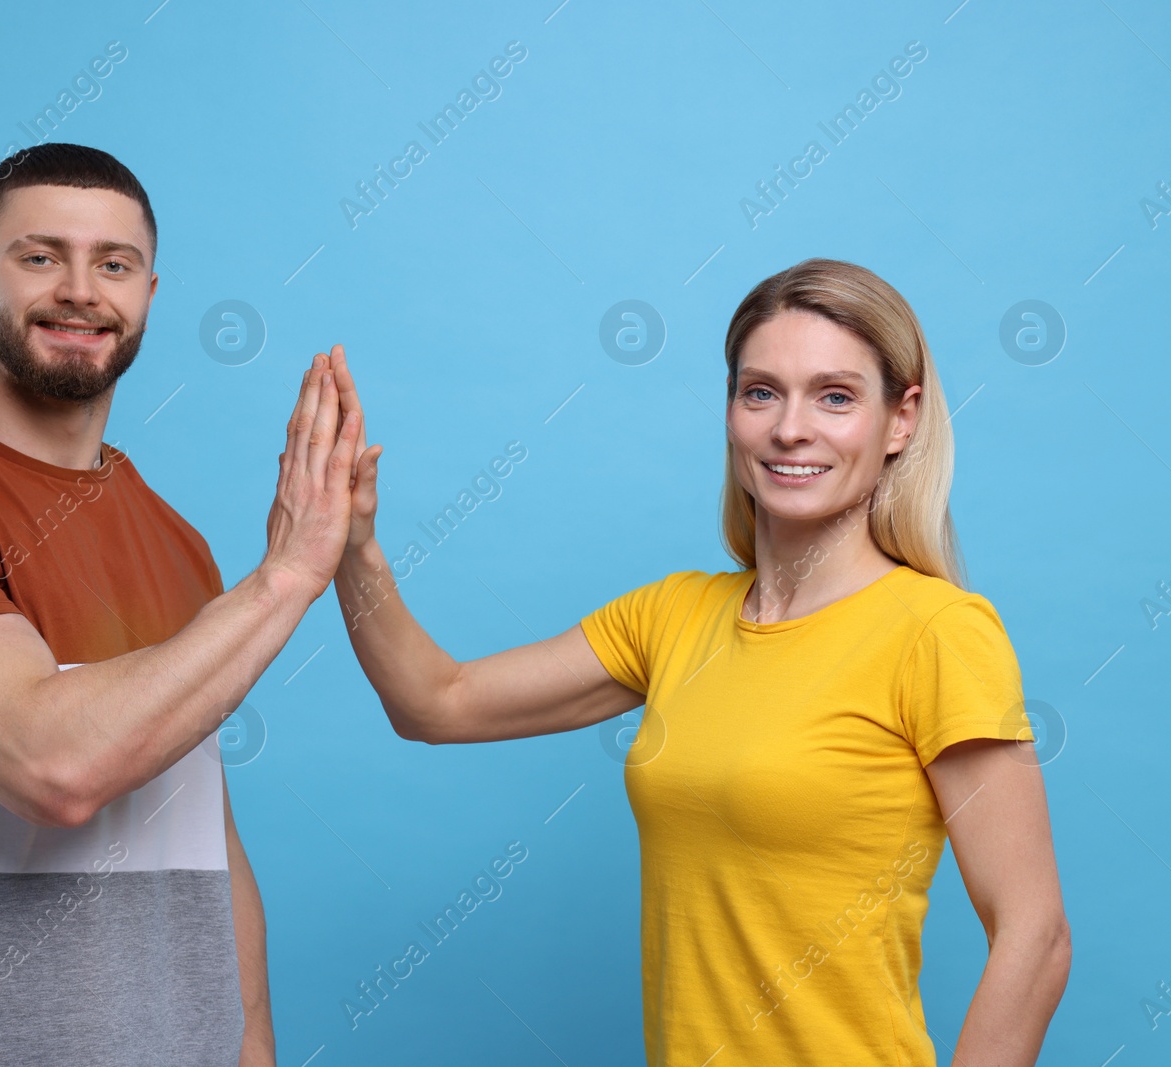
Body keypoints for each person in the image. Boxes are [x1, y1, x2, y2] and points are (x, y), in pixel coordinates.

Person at [327, 258, 1071, 1065]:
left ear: (901, 420)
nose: (791, 428)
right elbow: (437, 701)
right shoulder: (674, 615)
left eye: (835, 395)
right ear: (730, 412)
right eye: (761, 392)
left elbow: (1035, 933)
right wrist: (351, 544)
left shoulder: (937, 631)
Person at [0, 142, 361, 1065]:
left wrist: (251, 1043)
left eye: (114, 264)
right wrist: (288, 576)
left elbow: (205, 826)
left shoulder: (178, 544)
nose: (80, 291)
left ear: (147, 292)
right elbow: (54, 767)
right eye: (39, 256)